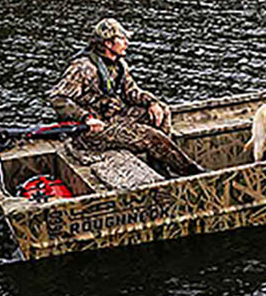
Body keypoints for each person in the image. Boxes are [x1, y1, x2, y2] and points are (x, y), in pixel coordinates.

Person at [46, 18, 206, 177]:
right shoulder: (83, 68)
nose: (127, 43)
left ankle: (159, 167)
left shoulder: (119, 65)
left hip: (113, 117)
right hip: (91, 132)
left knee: (162, 111)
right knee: (151, 137)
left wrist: (152, 102)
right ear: (108, 43)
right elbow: (57, 97)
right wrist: (86, 118)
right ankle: (192, 174)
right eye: (122, 39)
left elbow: (131, 92)